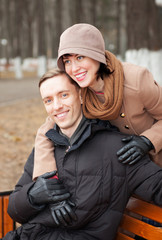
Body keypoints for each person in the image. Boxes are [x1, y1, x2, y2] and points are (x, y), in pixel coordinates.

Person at [4, 68, 162, 240]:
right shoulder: (45, 148)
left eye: (64, 95)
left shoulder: (117, 148)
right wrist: (32, 196)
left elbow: (157, 187)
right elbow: (14, 211)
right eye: (48, 100)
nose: (56, 106)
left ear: (80, 96)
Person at [33, 23, 162, 180]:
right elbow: (47, 130)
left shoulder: (136, 80)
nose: (74, 69)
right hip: (125, 173)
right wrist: (45, 178)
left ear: (96, 55)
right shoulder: (78, 88)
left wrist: (147, 140)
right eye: (67, 61)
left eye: (80, 57)